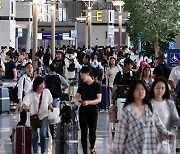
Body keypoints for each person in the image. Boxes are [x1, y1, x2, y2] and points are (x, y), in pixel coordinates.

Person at [112, 79, 175, 154]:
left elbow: (159, 126)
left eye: (142, 89)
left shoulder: (150, 108)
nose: (141, 92)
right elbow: (120, 135)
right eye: (137, 89)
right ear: (132, 92)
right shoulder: (127, 111)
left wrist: (168, 135)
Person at [72, 66, 102, 154]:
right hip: (83, 111)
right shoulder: (82, 85)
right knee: (83, 132)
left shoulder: (96, 85)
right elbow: (76, 96)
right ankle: (85, 151)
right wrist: (73, 101)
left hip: (93, 110)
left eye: (82, 76)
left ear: (88, 74)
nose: (81, 78)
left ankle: (92, 147)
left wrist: (89, 102)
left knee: (92, 133)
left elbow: (99, 99)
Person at [149, 76, 180, 154]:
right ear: (153, 89)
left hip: (167, 140)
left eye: (162, 88)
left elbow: (175, 119)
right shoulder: (147, 104)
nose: (160, 90)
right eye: (158, 88)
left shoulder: (170, 104)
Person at [23, 76, 53, 154]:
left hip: (44, 115)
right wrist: (26, 107)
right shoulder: (31, 93)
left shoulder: (47, 92)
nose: (43, 86)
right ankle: (35, 151)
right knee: (34, 134)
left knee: (43, 133)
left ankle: (43, 150)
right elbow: (25, 102)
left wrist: (50, 106)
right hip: (34, 116)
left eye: (43, 84)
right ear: (36, 85)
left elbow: (49, 102)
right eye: (41, 84)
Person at [45, 63, 69, 139]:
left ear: (49, 69)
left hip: (47, 98)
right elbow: (67, 84)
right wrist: (61, 89)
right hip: (56, 97)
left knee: (46, 114)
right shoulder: (59, 76)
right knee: (56, 114)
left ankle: (47, 131)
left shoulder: (46, 77)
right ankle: (56, 130)